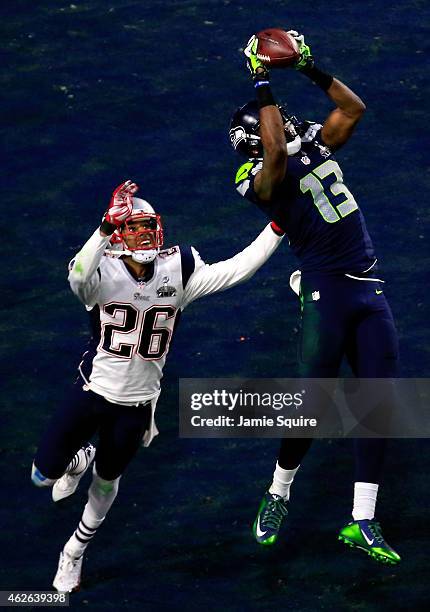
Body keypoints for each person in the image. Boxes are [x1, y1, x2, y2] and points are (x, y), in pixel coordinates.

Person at [31, 180, 285, 592]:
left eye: (148, 226)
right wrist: (101, 231)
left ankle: (74, 551)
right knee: (42, 476)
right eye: (132, 228)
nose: (144, 234)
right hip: (93, 391)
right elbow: (77, 279)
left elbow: (239, 268)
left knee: (107, 479)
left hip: (138, 404)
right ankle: (78, 459)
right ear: (118, 234)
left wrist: (278, 225)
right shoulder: (102, 267)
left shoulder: (178, 269)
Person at [230, 31, 400, 564]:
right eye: (271, 121)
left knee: (379, 401)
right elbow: (277, 151)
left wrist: (307, 66)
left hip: (369, 285)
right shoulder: (254, 175)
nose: (284, 122)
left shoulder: (312, 143)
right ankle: (278, 494)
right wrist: (260, 75)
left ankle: (363, 520)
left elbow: (353, 108)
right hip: (327, 286)